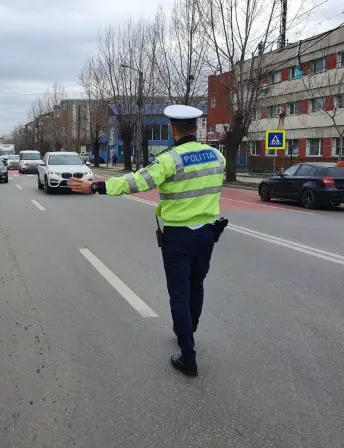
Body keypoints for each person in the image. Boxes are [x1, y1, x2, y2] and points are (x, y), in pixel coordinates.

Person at [68, 104, 226, 378]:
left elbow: (136, 182)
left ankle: (188, 357)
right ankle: (189, 332)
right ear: (195, 128)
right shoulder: (216, 156)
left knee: (179, 295)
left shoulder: (170, 159)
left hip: (179, 235)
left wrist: (95, 186)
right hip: (208, 234)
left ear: (172, 130)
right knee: (196, 286)